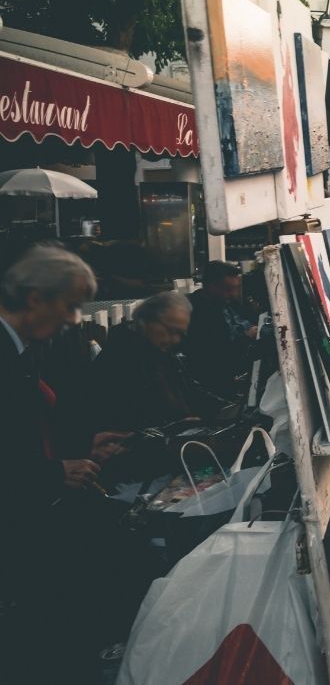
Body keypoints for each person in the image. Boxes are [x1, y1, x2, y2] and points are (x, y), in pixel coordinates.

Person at [1, 246, 159, 683]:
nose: (74, 319)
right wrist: (55, 472)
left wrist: (82, 450)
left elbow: (22, 438)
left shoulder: (21, 349)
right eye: (69, 305)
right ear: (35, 298)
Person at [93, 290, 209, 432]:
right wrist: (173, 429)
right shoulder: (118, 360)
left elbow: (196, 394)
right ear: (147, 321)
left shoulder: (165, 356)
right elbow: (123, 423)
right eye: (171, 331)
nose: (175, 340)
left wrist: (230, 409)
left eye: (180, 334)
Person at [184, 261, 258, 401]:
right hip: (217, 381)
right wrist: (247, 337)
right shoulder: (196, 311)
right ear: (211, 287)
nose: (234, 294)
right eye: (229, 289)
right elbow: (212, 354)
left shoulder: (229, 303)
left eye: (236, 288)